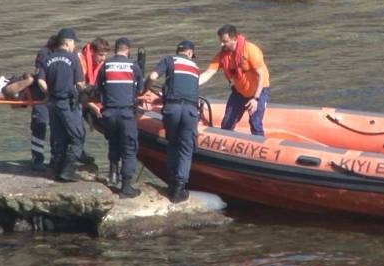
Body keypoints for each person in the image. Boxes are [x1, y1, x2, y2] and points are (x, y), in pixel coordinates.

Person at [144, 40, 200, 203]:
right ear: (190, 53)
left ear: (178, 51)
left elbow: (153, 76)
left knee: (173, 144)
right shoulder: (195, 67)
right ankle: (179, 189)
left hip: (172, 109)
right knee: (186, 148)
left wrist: (146, 88)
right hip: (190, 110)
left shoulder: (169, 60)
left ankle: (171, 183)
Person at [199, 24, 270, 136]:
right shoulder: (222, 55)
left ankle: (260, 144)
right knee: (227, 123)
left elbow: (261, 75)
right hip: (240, 91)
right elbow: (208, 73)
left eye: (225, 41)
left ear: (235, 39)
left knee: (255, 123)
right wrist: (191, 84)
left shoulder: (251, 50)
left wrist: (255, 99)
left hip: (258, 90)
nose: (221, 44)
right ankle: (224, 146)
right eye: (221, 41)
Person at [95, 37, 143, 198]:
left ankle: (113, 175)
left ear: (115, 49)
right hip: (126, 114)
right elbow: (140, 90)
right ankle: (126, 187)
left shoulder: (106, 65)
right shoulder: (133, 66)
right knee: (129, 149)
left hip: (109, 114)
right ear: (128, 50)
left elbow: (98, 88)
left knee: (114, 143)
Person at [37, 28, 85, 182]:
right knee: (78, 136)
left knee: (59, 137)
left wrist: (48, 92)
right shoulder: (73, 59)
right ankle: (68, 169)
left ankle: (56, 168)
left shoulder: (47, 58)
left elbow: (40, 81)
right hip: (67, 103)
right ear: (67, 42)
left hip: (52, 103)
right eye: (73, 42)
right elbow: (79, 83)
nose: (74, 46)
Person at [29, 35, 56, 168]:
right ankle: (37, 158)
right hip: (41, 96)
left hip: (55, 96)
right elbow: (40, 77)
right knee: (40, 124)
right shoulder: (44, 54)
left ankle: (55, 157)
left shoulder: (67, 54)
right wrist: (48, 93)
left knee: (57, 127)